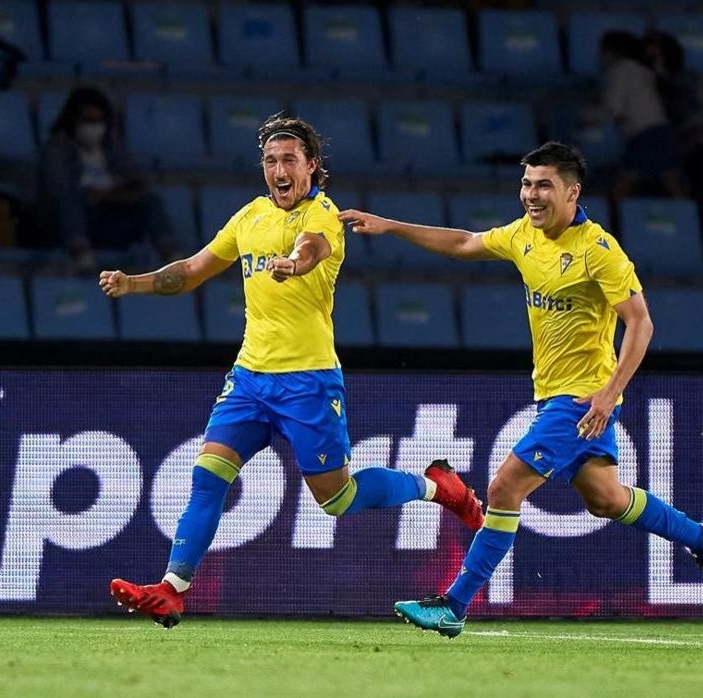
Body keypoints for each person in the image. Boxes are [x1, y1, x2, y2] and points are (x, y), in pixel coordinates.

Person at [339, 142, 703, 639]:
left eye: (543, 184)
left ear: (573, 192)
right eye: (527, 184)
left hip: (583, 398)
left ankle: (454, 605)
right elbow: (464, 243)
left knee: (505, 487)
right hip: (557, 395)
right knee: (606, 498)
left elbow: (640, 323)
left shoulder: (599, 250)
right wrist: (392, 225)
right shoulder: (523, 235)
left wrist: (610, 393)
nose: (531, 194)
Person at [103, 114, 484, 629]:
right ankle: (172, 589)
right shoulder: (249, 217)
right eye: (270, 161)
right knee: (207, 475)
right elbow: (190, 271)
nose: (279, 170)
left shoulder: (323, 214)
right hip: (249, 378)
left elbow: (312, 250)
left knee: (338, 499)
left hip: (308, 381)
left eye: (289, 160)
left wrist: (294, 264)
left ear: (311, 167)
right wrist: (133, 284)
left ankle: (440, 488)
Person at [38, 87, 175, 271]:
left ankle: (170, 255)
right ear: (73, 120)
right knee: (70, 200)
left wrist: (111, 195)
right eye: (88, 120)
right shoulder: (57, 148)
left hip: (113, 213)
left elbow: (138, 180)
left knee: (151, 200)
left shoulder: (111, 148)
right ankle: (80, 252)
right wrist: (94, 195)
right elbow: (58, 187)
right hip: (79, 218)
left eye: (99, 120)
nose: (94, 126)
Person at [645, 30, 703, 199]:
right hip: (662, 147)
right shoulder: (643, 85)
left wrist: (684, 127)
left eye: (658, 55)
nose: (655, 61)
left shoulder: (694, 80)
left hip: (697, 143)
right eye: (650, 57)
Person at [597, 31, 684, 198]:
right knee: (671, 181)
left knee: (626, 180)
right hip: (663, 132)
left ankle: (610, 218)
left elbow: (614, 110)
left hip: (645, 136)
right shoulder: (642, 70)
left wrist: (590, 114)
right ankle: (691, 218)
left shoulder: (620, 69)